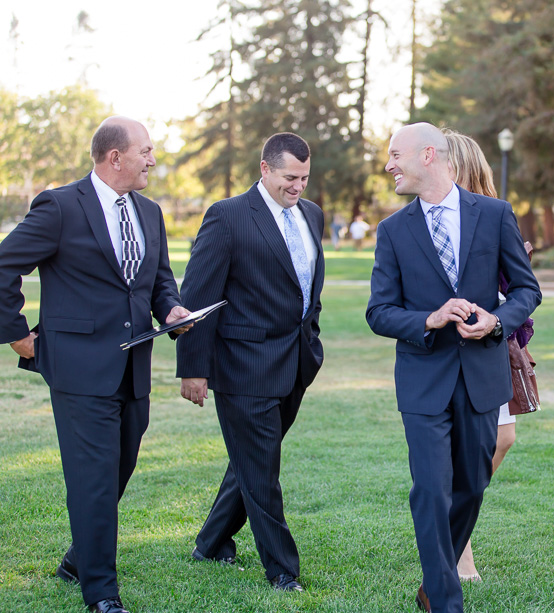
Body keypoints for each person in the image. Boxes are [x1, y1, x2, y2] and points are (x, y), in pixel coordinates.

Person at [0, 116, 191, 613]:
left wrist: (170, 309)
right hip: (78, 370)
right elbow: (4, 265)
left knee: (119, 468)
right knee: (95, 480)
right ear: (115, 157)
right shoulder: (60, 206)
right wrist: (18, 336)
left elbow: (158, 282)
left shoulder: (150, 212)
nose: (153, 159)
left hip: (134, 371)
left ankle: (76, 560)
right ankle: (101, 594)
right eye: (146, 150)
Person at [366, 123, 541, 613]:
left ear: (428, 155)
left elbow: (528, 291)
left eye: (395, 155)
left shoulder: (494, 214)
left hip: (483, 378)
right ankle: (445, 600)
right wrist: (430, 317)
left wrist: (495, 320)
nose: (389, 165)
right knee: (430, 489)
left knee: (471, 485)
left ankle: (432, 583)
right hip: (423, 380)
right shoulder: (393, 231)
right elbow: (379, 311)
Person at [176, 132, 325, 593]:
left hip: (297, 361)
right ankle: (283, 570)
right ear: (264, 169)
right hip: (244, 366)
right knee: (262, 468)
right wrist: (193, 369)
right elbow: (198, 297)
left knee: (249, 460)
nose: (297, 186)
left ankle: (211, 541)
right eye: (289, 177)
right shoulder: (228, 216)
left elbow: (307, 287)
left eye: (303, 177)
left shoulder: (312, 215)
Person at [441, 128, 533, 582]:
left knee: (502, 440)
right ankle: (460, 550)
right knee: (469, 449)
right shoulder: (434, 217)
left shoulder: (494, 215)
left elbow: (519, 288)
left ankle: (456, 520)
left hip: (495, 344)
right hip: (455, 350)